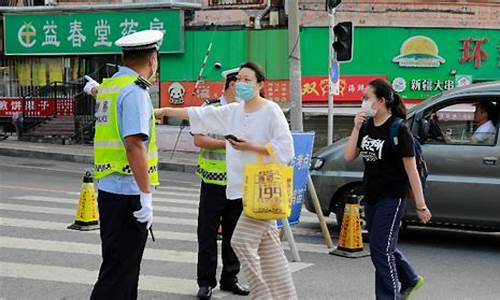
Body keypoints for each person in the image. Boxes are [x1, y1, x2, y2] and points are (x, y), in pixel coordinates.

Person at [155, 62, 298, 300]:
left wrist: (251, 147)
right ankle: (285, 296)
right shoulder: (234, 111)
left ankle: (262, 295)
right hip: (236, 190)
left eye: (247, 80)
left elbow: (286, 149)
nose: (241, 84)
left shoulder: (271, 110)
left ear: (260, 84)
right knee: (271, 253)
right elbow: (199, 114)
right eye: (239, 79)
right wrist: (167, 111)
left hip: (261, 192)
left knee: (240, 241)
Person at [88, 30, 163, 300]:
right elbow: (134, 145)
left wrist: (92, 88)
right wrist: (145, 196)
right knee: (119, 273)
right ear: (152, 59)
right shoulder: (135, 91)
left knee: (122, 269)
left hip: (111, 189)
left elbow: (99, 93)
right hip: (127, 193)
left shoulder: (111, 86)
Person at [344, 79, 432, 300]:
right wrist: (355, 127)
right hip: (371, 195)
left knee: (380, 251)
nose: (362, 101)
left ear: (381, 101)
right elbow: (348, 156)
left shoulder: (399, 129)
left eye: (367, 98)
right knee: (382, 246)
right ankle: (410, 279)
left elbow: (412, 171)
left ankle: (388, 296)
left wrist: (421, 206)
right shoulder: (366, 126)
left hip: (392, 198)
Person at [193, 67, 249, 299]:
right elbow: (199, 139)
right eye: (244, 82)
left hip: (239, 183)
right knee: (207, 235)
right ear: (232, 84)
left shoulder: (248, 111)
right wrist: (227, 144)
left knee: (234, 235)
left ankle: (230, 278)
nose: (248, 87)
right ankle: (206, 282)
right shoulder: (210, 108)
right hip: (213, 183)